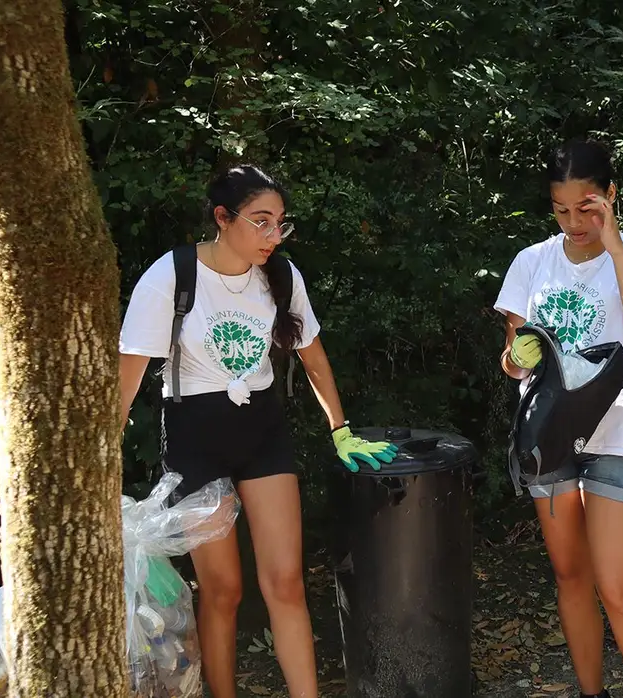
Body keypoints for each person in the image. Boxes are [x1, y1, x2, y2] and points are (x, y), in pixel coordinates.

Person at [117, 165, 399, 698]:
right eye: (262, 222)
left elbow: (314, 359)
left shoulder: (283, 277)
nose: (274, 236)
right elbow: (126, 382)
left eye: (281, 224)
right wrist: (98, 461)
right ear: (223, 219)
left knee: (285, 583)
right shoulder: (170, 276)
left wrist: (340, 428)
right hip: (195, 437)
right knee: (222, 591)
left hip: (262, 431)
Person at [493, 139, 623, 698]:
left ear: (611, 196)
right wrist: (513, 357)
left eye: (586, 207)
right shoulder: (532, 262)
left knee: (617, 586)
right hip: (549, 438)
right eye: (560, 209)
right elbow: (514, 354)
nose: (574, 222)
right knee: (571, 578)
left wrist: (614, 245)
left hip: (619, 436)